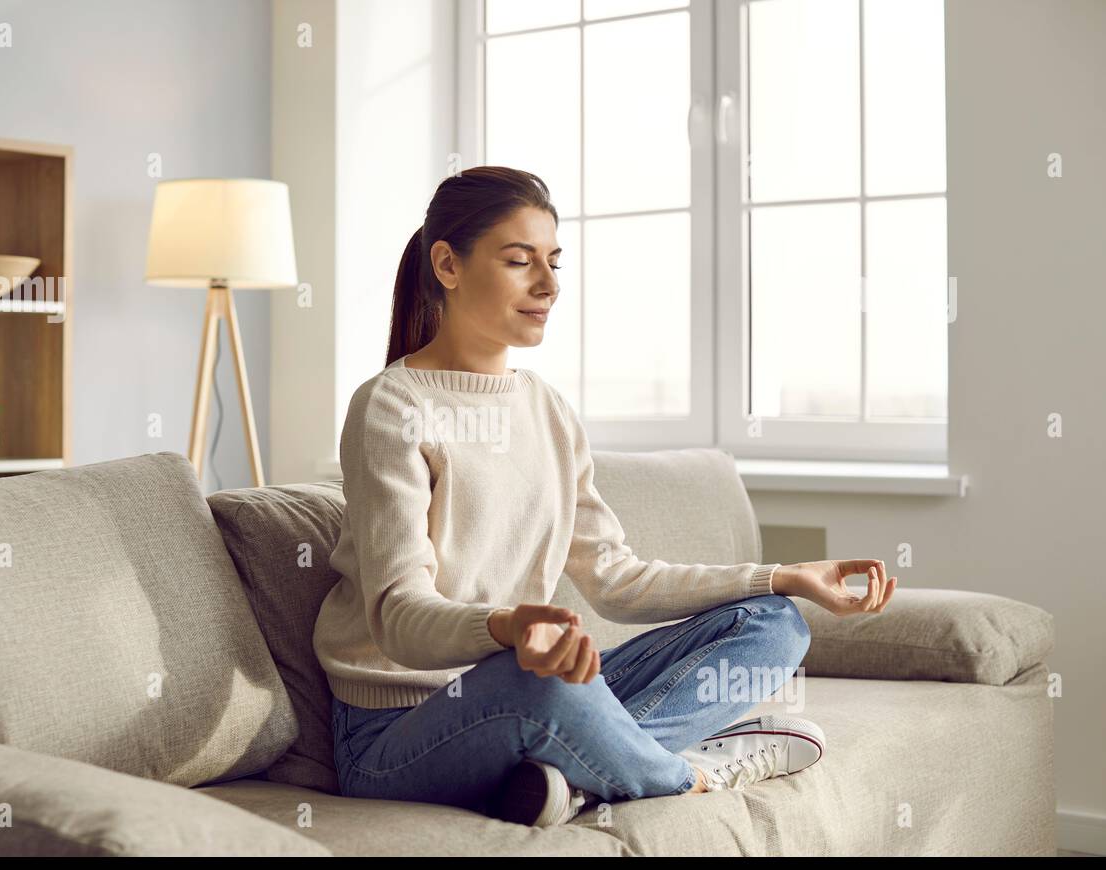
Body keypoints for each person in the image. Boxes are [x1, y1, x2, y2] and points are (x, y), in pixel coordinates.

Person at [311, 166, 897, 827]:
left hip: (528, 694)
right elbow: (397, 615)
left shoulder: (549, 411)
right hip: (395, 734)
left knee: (771, 622)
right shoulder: (391, 406)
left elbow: (616, 577)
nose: (548, 285)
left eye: (554, 262)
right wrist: (506, 628)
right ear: (447, 263)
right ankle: (683, 773)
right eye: (518, 261)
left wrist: (780, 575)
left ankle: (574, 778)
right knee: (539, 679)